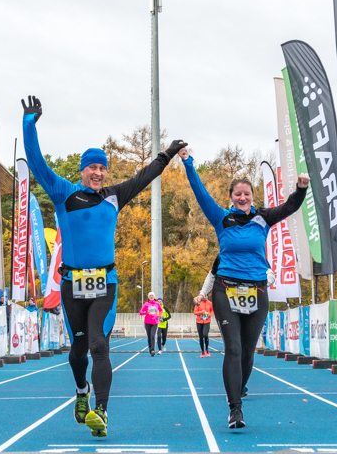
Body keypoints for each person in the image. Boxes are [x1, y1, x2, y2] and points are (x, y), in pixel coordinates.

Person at [22, 95, 185, 438]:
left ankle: (102, 410)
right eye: (92, 167)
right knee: (78, 350)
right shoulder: (64, 192)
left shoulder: (114, 195)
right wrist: (29, 124)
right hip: (72, 285)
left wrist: (167, 153)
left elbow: (146, 175)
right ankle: (81, 392)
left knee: (99, 345)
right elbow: (36, 164)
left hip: (105, 284)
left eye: (102, 168)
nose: (98, 173)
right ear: (82, 170)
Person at [179, 146, 309, 430]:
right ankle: (234, 408)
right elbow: (200, 193)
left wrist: (300, 189)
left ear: (252, 197)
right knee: (234, 349)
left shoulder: (263, 218)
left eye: (246, 194)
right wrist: (189, 163)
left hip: (257, 289)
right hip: (226, 288)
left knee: (249, 352)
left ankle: (240, 387)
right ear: (230, 198)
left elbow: (289, 207)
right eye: (237, 194)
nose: (242, 198)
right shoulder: (221, 218)